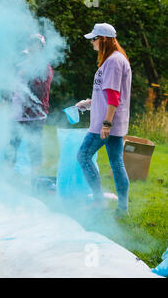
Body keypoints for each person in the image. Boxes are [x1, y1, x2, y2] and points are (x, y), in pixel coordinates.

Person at [76, 23, 131, 218]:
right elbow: (107, 93)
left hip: (104, 123)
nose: (92, 42)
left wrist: (106, 124)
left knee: (83, 156)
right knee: (117, 162)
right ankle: (123, 209)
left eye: (94, 39)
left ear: (104, 39)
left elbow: (114, 96)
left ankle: (99, 202)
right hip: (109, 121)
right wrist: (89, 103)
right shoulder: (112, 60)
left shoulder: (114, 61)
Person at [7, 34, 54, 182]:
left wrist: (26, 76)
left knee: (34, 148)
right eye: (30, 44)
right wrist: (6, 101)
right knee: (12, 146)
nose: (32, 47)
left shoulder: (45, 68)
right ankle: (8, 178)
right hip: (17, 113)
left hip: (35, 115)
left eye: (35, 44)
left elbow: (40, 90)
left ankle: (34, 180)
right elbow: (12, 87)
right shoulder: (21, 65)